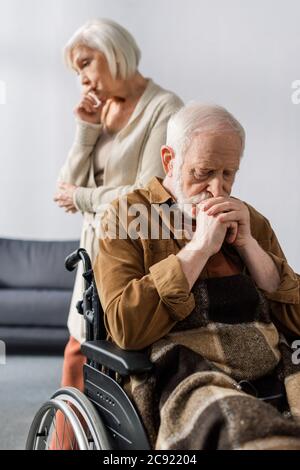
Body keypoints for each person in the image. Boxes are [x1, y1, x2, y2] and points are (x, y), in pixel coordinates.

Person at [95, 103, 300, 450]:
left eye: (228, 174)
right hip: (183, 366)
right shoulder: (126, 217)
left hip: (268, 356)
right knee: (245, 430)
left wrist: (249, 245)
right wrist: (199, 249)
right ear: (169, 160)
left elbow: (295, 322)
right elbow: (126, 328)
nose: (217, 189)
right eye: (204, 172)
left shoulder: (251, 219)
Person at [53, 18, 183, 393]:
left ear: (115, 54)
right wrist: (86, 129)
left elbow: (150, 192)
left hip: (134, 248)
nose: (82, 78)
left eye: (86, 63)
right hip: (93, 249)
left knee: (121, 350)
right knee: (79, 346)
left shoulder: (163, 108)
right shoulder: (102, 111)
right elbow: (66, 182)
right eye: (77, 70)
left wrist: (82, 198)